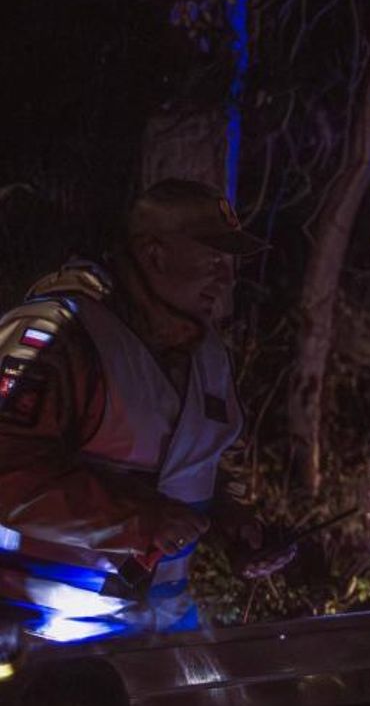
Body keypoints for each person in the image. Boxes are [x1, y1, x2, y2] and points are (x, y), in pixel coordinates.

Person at [0, 179, 270, 644]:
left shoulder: (208, 353)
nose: (226, 278)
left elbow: (202, 464)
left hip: (160, 628)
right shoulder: (61, 333)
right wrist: (137, 519)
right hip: (34, 624)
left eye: (230, 263)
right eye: (212, 258)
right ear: (154, 254)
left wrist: (232, 523)